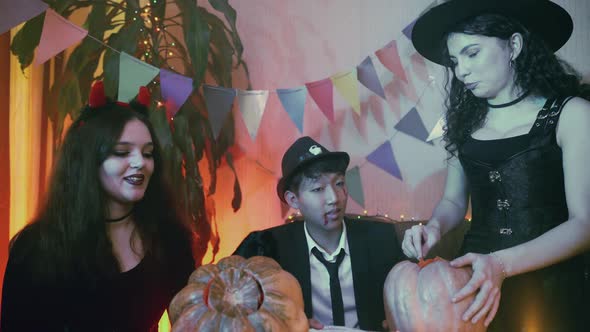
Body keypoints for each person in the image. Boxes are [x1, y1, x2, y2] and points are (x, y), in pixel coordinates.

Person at [402, 0, 590, 331]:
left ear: (514, 46)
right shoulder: (462, 124)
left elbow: (584, 224)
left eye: (472, 53)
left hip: (551, 284)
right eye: (455, 61)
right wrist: (434, 227)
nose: (461, 71)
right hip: (472, 285)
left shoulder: (572, 114)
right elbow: (453, 202)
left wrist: (501, 264)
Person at [1, 82, 196, 331]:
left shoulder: (170, 241)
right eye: (122, 152)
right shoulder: (35, 249)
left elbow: (194, 319)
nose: (140, 163)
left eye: (147, 153)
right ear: (88, 162)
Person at [233, 136, 403, 331]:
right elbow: (228, 299)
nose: (333, 198)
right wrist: (285, 324)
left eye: (339, 183)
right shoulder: (268, 248)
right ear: (294, 200)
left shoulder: (381, 239)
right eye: (318, 189)